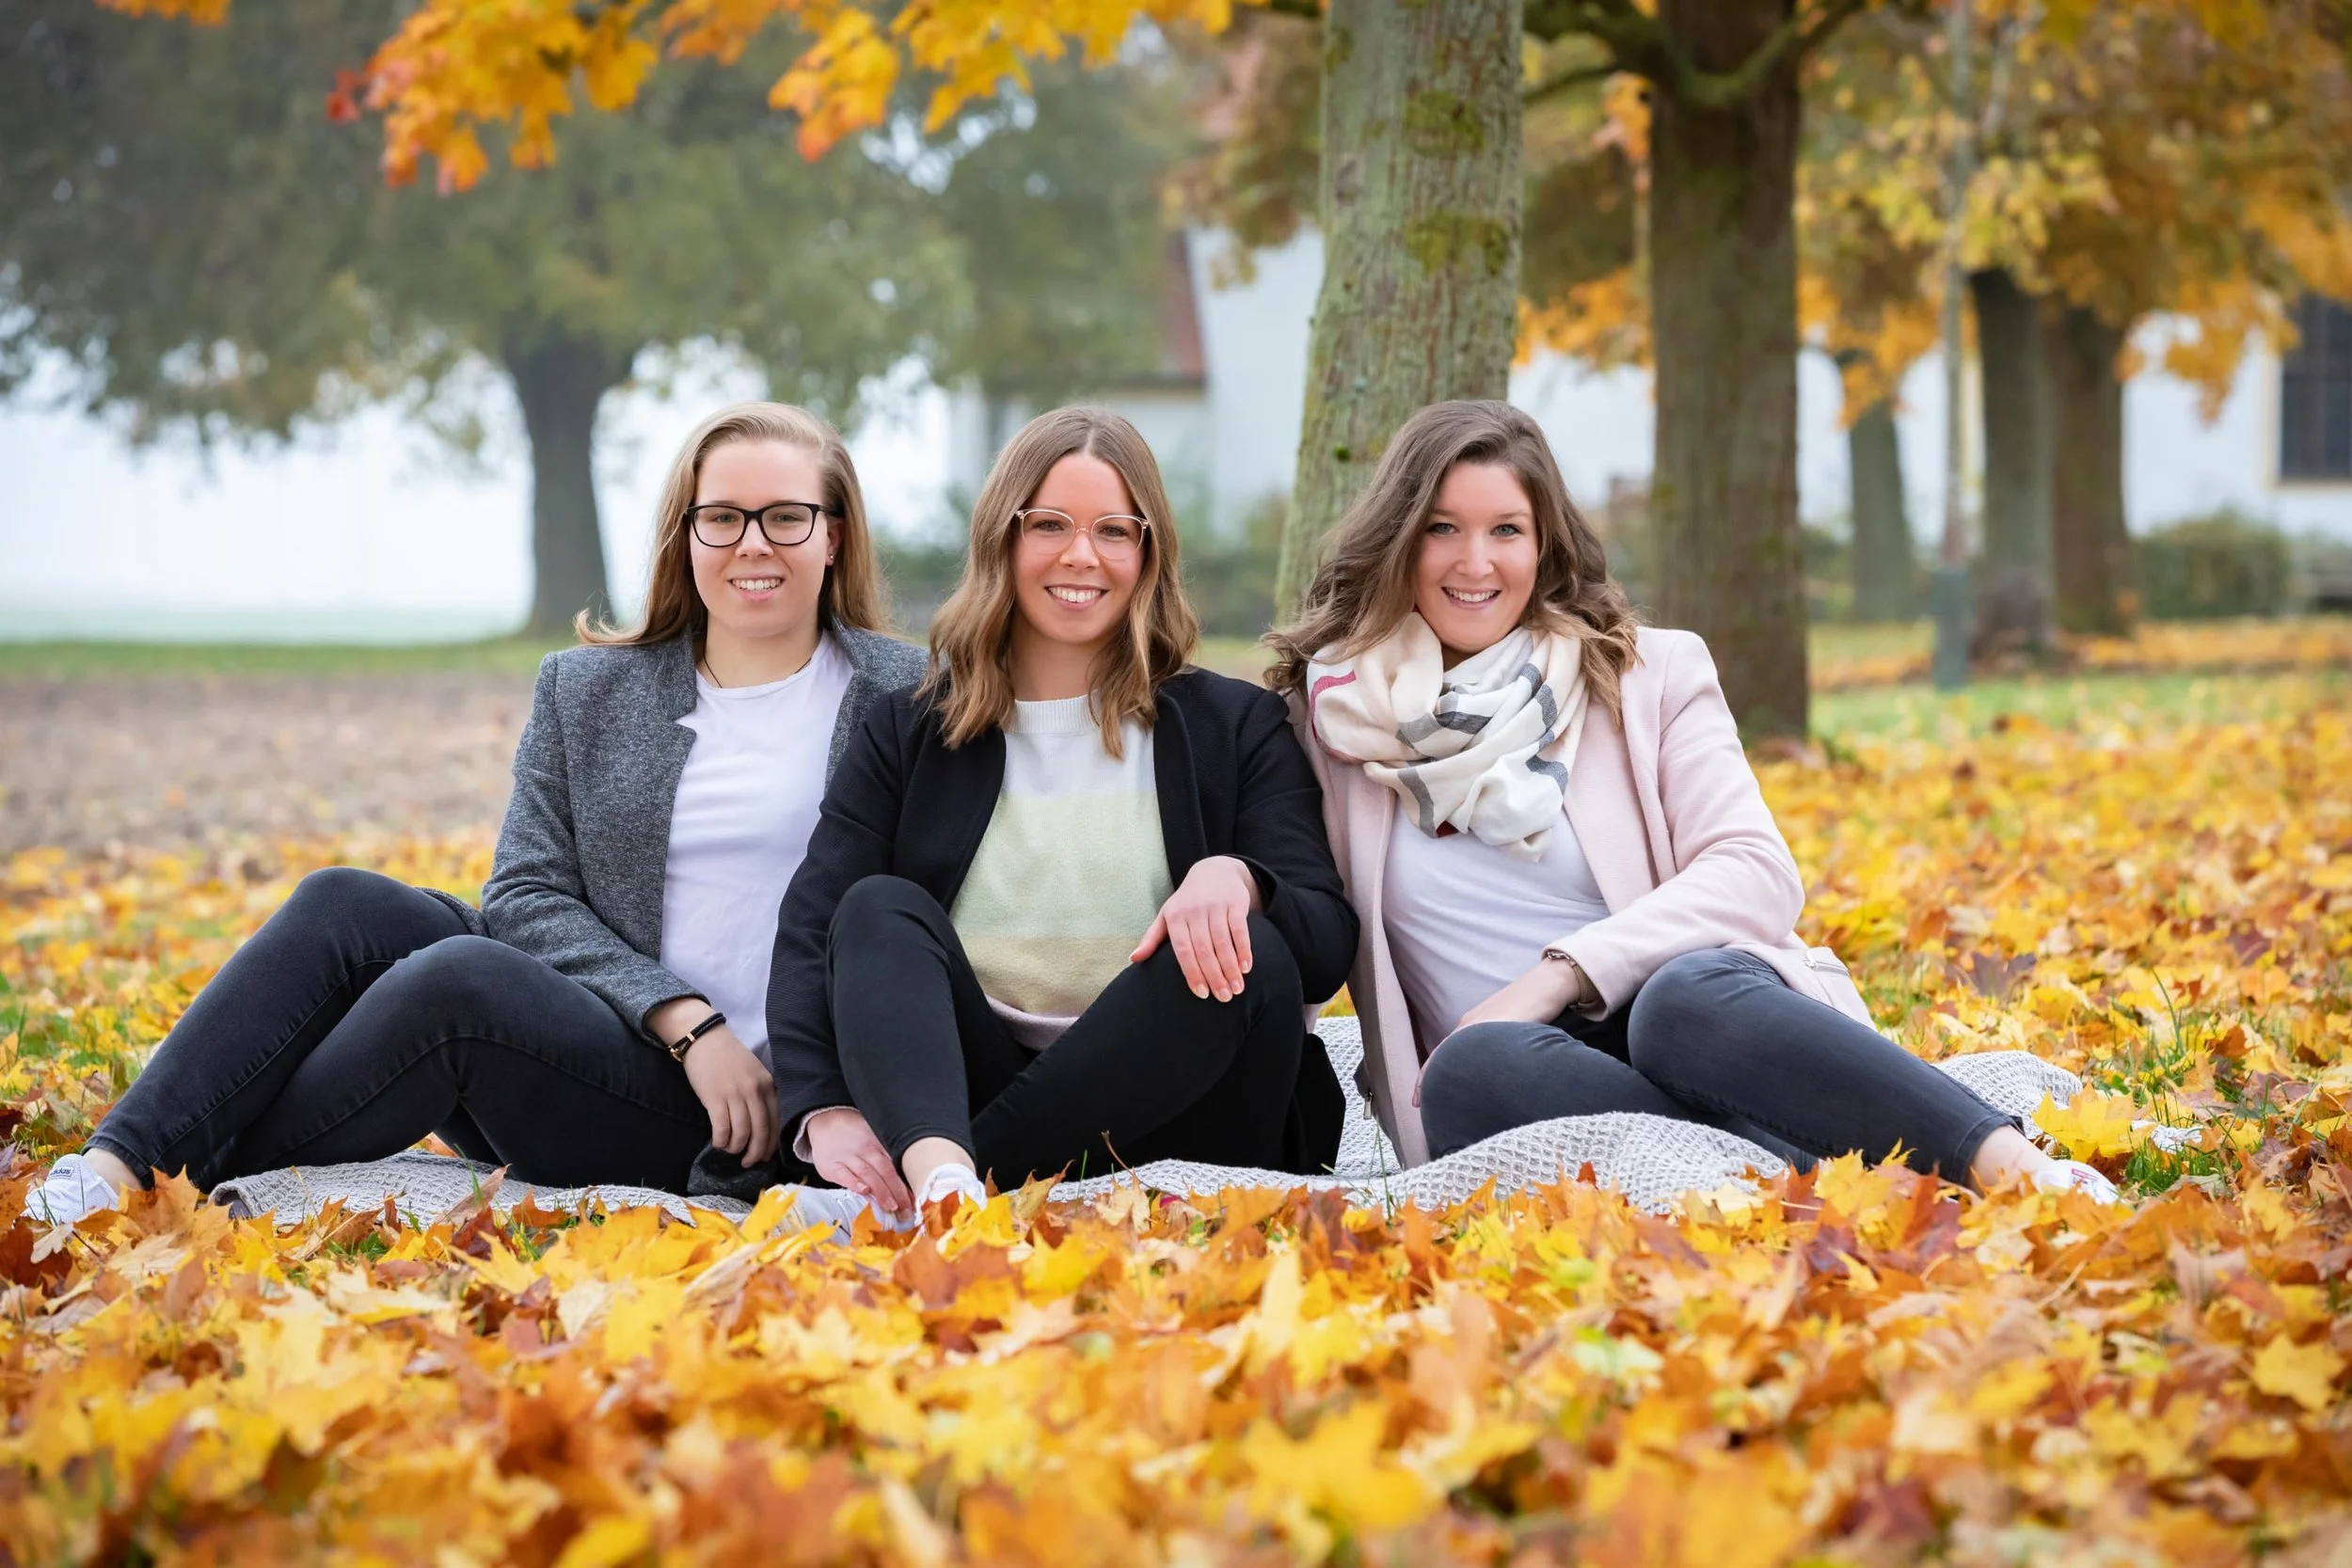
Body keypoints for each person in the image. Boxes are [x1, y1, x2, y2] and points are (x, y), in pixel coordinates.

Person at [25, 402, 926, 1226]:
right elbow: (527, 892)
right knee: (344, 901)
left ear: (834, 535)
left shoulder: (909, 696)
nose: (751, 543)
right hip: (624, 1034)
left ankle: (174, 1186)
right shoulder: (590, 689)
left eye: (786, 516)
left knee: (459, 980)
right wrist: (685, 1020)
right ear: (686, 535)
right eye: (721, 516)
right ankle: (115, 1166)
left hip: (752, 1118)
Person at [1266, 399, 2117, 1200]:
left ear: (1544, 545)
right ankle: (1784, 1167)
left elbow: (1756, 873)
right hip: (1524, 1073)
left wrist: (1559, 976)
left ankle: (2007, 1165)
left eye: (1506, 530)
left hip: (1708, 1029)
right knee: (1468, 1070)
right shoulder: (1336, 718)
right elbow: (1301, 927)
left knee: (1680, 1001)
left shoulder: (1646, 673)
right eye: (1442, 529)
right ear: (1399, 539)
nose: (1475, 561)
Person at [756, 405, 1357, 1215]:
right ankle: (945, 1186)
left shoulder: (1235, 726)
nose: (1082, 554)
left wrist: (1241, 879)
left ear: (1148, 553)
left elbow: (1322, 944)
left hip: (1182, 1118)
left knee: (1241, 942)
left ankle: (966, 1190)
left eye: (1114, 529)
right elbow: (815, 928)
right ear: (1002, 540)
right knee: (877, 908)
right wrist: (824, 1105)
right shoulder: (911, 731)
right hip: (966, 1092)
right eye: (1050, 524)